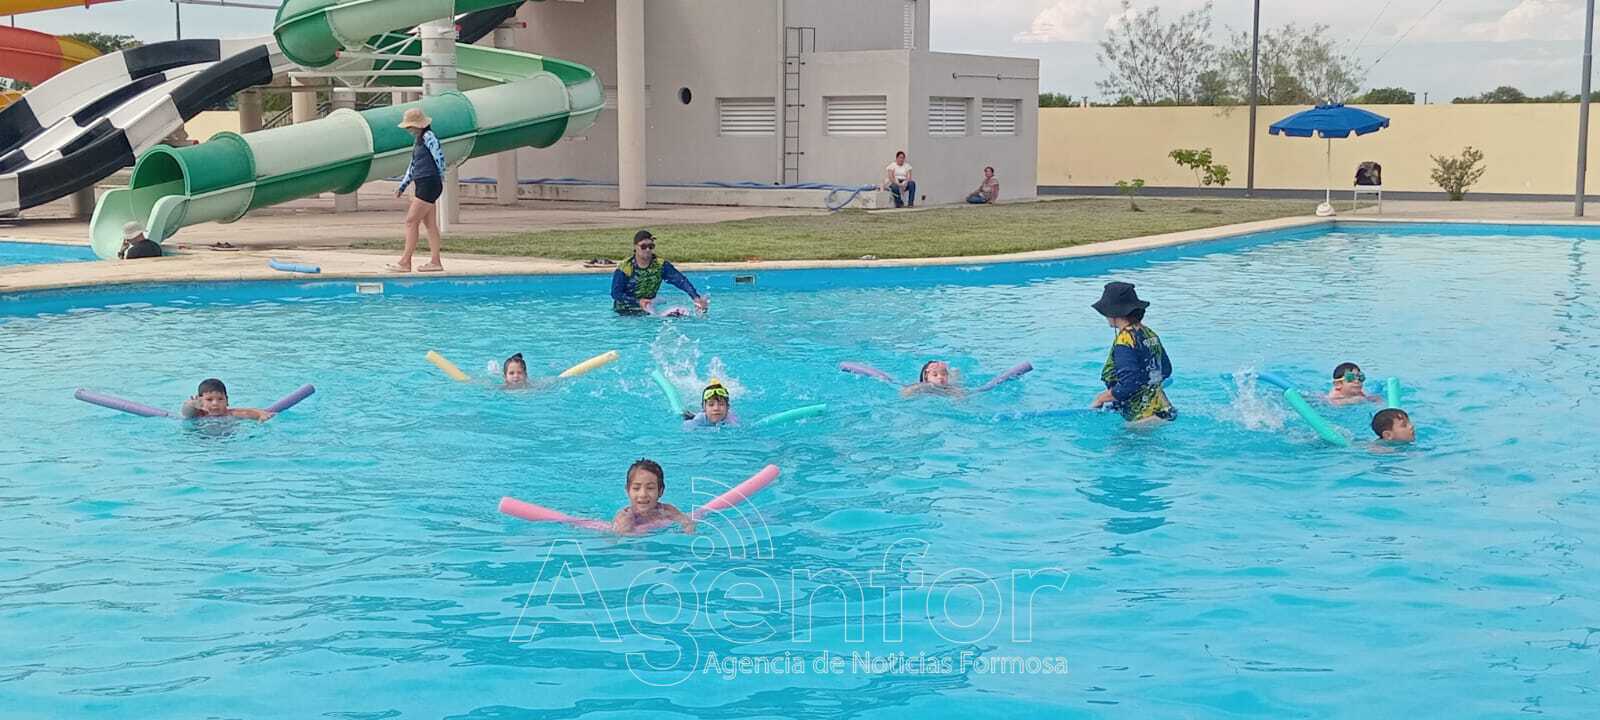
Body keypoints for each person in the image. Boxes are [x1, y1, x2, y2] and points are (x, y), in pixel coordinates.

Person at [1090, 282, 1175, 422]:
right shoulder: (1149, 334)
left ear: (1113, 312)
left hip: (1144, 419)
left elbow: (1129, 384)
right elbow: (1166, 370)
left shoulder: (1125, 341)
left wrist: (1101, 399)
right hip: (1166, 410)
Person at [387, 107, 447, 273]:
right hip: (424, 182)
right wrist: (403, 185)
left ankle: (405, 261)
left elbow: (439, 156)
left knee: (411, 221)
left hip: (428, 182)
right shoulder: (418, 141)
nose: (409, 130)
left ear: (418, 125)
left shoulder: (428, 137)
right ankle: (435, 261)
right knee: (430, 224)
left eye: (410, 126)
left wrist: (440, 175)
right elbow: (412, 166)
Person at [611, 230, 709, 316]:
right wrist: (638, 301)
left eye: (651, 246)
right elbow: (616, 293)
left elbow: (680, 281)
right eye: (643, 246)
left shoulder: (660, 265)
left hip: (648, 310)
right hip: (624, 312)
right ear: (635, 247)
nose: (648, 250)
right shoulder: (625, 267)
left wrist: (696, 297)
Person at [613, 458, 695, 534]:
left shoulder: (667, 510)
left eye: (650, 488)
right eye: (636, 488)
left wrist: (687, 530)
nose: (643, 494)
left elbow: (688, 523)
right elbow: (617, 538)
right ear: (627, 491)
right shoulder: (624, 517)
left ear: (660, 491)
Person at [180, 378, 274, 421]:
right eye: (209, 400)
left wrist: (261, 414)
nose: (215, 403)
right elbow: (186, 412)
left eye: (220, 399)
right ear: (200, 401)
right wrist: (192, 404)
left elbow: (249, 411)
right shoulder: (199, 414)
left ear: (227, 401)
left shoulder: (230, 413)